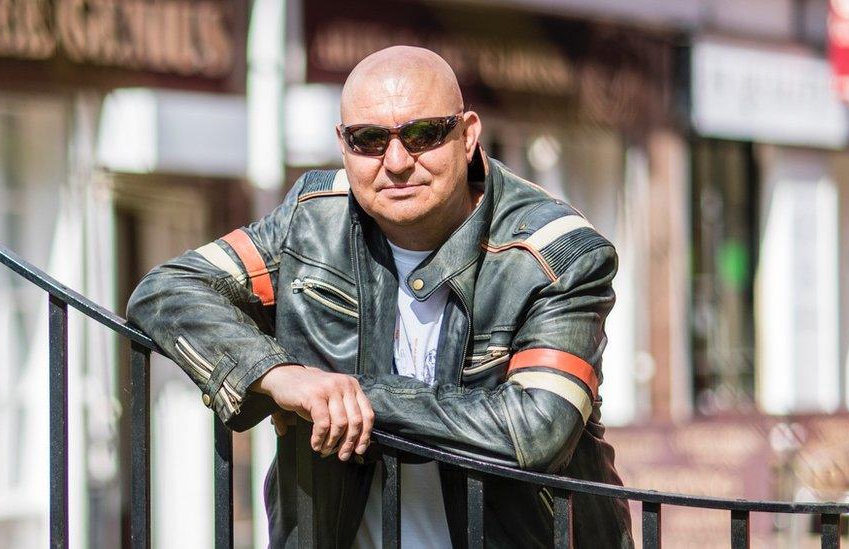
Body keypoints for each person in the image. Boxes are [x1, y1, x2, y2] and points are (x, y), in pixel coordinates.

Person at [127, 45, 632, 548]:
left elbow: (537, 430)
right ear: (342, 144)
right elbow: (168, 289)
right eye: (368, 139)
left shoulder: (557, 254)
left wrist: (347, 397)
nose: (396, 161)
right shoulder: (312, 223)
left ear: (468, 134)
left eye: (422, 134)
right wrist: (280, 376)